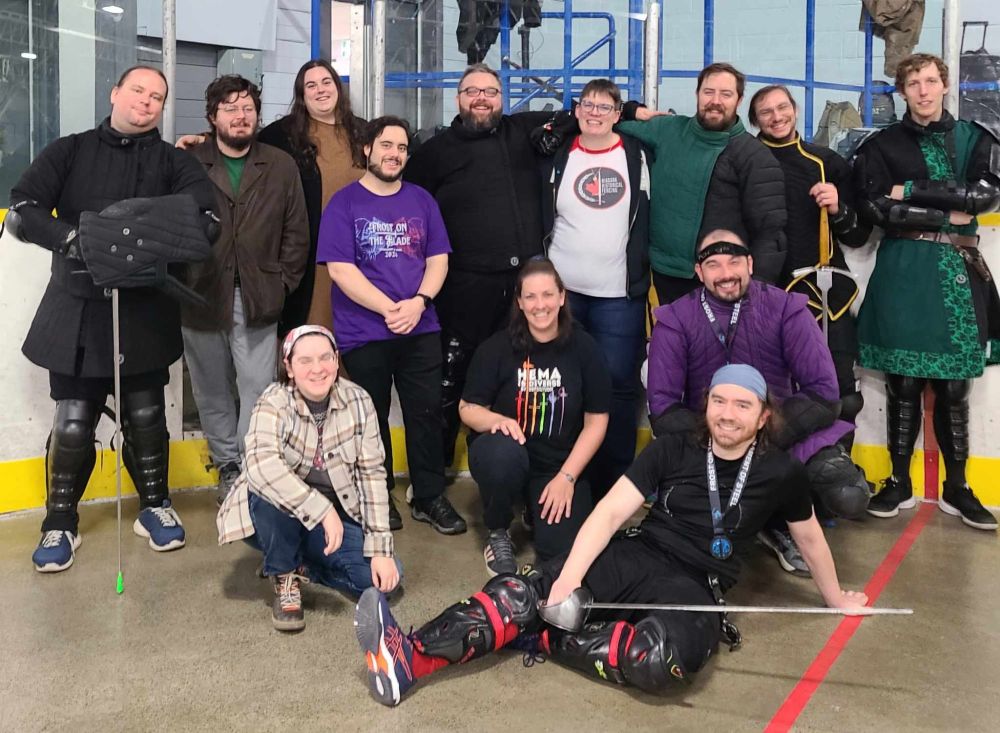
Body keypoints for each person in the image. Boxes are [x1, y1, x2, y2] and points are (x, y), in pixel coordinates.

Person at [354, 364, 868, 706]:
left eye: (741, 405)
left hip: (695, 586)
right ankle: (408, 658)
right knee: (519, 593)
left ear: (763, 416)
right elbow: (606, 515)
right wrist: (567, 580)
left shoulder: (781, 472)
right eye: (718, 401)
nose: (727, 414)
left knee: (661, 663)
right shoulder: (671, 449)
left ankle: (543, 636)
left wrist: (834, 597)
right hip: (641, 553)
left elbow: (811, 539)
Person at [9, 65, 217, 572]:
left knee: (146, 415)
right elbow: (23, 209)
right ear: (116, 94)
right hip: (77, 304)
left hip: (145, 306)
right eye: (138, 91)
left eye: (157, 97)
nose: (146, 102)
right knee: (74, 420)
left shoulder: (174, 162)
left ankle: (154, 507)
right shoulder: (70, 150)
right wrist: (72, 240)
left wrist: (152, 244)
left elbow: (206, 218)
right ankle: (60, 520)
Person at [647, 232, 870, 575]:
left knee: (849, 494)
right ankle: (755, 519)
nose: (726, 272)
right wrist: (722, 439)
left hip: (778, 431)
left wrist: (761, 438)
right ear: (699, 271)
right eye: (714, 264)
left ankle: (779, 520)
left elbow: (824, 393)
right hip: (709, 438)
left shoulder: (786, 307)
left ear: (750, 263)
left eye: (735, 261)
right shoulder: (676, 318)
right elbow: (663, 410)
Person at [853, 53, 1000, 530]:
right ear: (902, 90)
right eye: (913, 82)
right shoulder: (881, 144)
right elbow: (874, 206)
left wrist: (910, 189)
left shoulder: (976, 138)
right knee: (903, 381)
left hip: (958, 267)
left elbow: (984, 197)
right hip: (903, 267)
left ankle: (958, 489)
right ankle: (898, 482)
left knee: (956, 387)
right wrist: (944, 211)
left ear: (944, 84)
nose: (923, 90)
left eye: (931, 81)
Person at [404, 63, 562, 470]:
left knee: (519, 380)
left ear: (502, 98)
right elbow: (411, 214)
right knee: (450, 380)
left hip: (522, 288)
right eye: (472, 91)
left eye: (490, 91)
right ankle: (434, 480)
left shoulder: (522, 131)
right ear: (458, 99)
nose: (481, 98)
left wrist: (635, 112)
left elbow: (584, 113)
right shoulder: (433, 153)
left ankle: (507, 470)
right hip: (462, 289)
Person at [318, 116, 467, 535]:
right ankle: (378, 494)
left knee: (426, 414)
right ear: (368, 149)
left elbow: (439, 260)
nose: (394, 154)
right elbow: (341, 270)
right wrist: (390, 309)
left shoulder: (422, 201)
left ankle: (428, 495)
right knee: (372, 418)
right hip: (364, 331)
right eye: (386, 145)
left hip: (421, 326)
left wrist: (418, 303)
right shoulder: (344, 204)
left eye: (402, 148)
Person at [217, 325, 401, 632]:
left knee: (382, 580)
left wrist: (381, 549)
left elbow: (372, 476)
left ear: (337, 360)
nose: (317, 369)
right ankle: (285, 575)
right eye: (305, 361)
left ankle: (297, 562)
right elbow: (261, 467)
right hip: (274, 512)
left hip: (332, 516)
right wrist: (322, 510)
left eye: (325, 358)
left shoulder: (359, 401)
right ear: (288, 366)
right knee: (269, 493)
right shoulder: (273, 402)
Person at [182, 75, 309, 503]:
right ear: (212, 116)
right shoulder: (188, 162)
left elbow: (296, 231)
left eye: (248, 108)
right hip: (199, 294)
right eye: (230, 108)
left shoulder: (279, 164)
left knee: (257, 388)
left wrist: (283, 281)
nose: (241, 116)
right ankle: (227, 465)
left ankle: (253, 462)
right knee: (211, 388)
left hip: (257, 295)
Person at [177, 60, 366, 336]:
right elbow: (241, 142)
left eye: (326, 82)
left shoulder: (362, 131)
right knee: (312, 333)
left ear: (338, 86)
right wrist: (205, 140)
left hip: (361, 250)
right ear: (301, 94)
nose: (320, 90)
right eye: (310, 85)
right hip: (314, 256)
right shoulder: (284, 134)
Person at [460, 258, 611, 575]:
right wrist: (496, 422)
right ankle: (498, 530)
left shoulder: (585, 349)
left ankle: (535, 508)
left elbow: (597, 422)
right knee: (500, 456)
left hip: (557, 466)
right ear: (519, 302)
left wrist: (567, 478)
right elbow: (467, 408)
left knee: (563, 557)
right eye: (530, 296)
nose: (539, 305)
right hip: (510, 455)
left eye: (547, 295)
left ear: (561, 297)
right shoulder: (496, 348)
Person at [541, 78, 649, 501]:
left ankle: (613, 483)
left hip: (619, 296)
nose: (595, 113)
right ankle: (564, 476)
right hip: (561, 297)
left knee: (619, 384)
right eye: (588, 105)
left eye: (605, 107)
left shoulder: (638, 155)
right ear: (577, 110)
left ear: (618, 114)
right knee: (562, 383)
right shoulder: (557, 155)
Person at [749, 84, 872, 445]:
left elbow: (857, 235)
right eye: (766, 111)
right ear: (755, 119)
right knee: (767, 389)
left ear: (796, 109)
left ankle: (837, 475)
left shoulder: (826, 163)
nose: (776, 116)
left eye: (782, 107)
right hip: (763, 293)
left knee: (840, 392)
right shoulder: (743, 158)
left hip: (823, 294)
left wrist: (838, 208)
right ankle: (770, 475)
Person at [617, 62, 787, 304]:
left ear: (738, 101)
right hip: (665, 276)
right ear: (697, 94)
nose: (715, 100)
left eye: (726, 94)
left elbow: (770, 234)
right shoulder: (669, 129)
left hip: (724, 282)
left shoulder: (754, 156)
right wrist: (632, 110)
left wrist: (756, 293)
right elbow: (603, 120)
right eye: (709, 92)